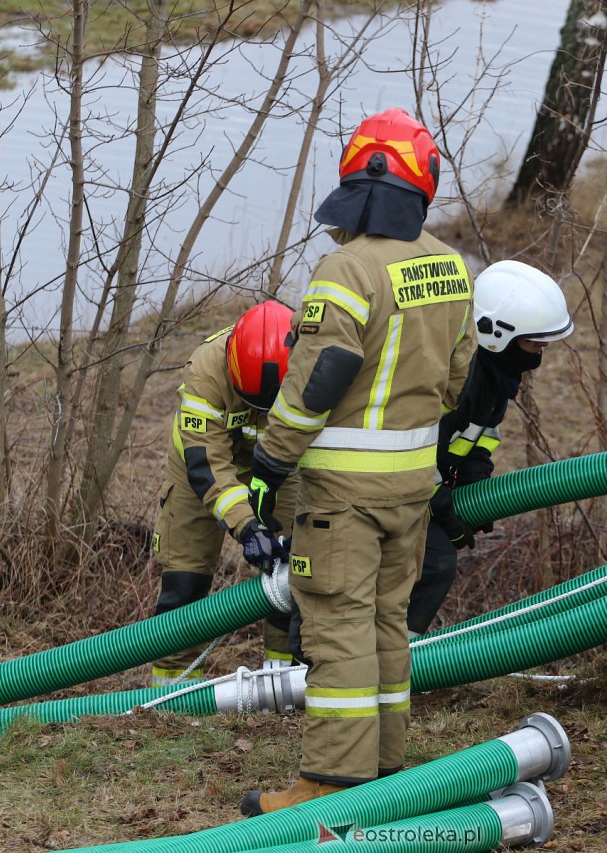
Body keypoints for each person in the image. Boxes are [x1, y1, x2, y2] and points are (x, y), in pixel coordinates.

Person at [237, 108, 476, 816]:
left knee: (338, 624)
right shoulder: (448, 266)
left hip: (343, 492)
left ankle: (331, 783)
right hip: (410, 484)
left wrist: (269, 464)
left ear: (361, 180)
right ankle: (386, 766)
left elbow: (319, 378)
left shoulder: (346, 267)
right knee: (386, 625)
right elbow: (458, 378)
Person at [406, 259, 573, 636]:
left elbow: (480, 433)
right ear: (496, 333)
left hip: (423, 485)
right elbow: (413, 444)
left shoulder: (495, 374)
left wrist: (475, 478)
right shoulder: (454, 374)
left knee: (432, 565)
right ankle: (388, 665)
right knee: (431, 564)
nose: (539, 354)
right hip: (395, 483)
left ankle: (396, 661)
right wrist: (441, 505)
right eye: (533, 343)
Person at [147, 301, 296, 687]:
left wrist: (275, 533)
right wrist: (248, 528)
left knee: (291, 565)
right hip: (202, 462)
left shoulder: (311, 359)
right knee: (185, 578)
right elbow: (208, 464)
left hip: (282, 461)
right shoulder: (205, 371)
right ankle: (171, 689)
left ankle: (281, 677)